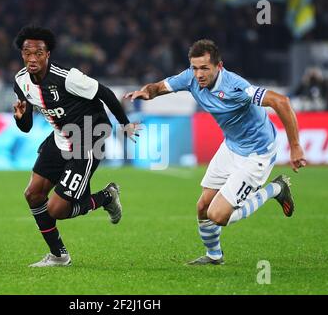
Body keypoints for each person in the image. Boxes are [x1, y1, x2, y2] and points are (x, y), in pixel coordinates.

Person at [125, 39, 307, 265]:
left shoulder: (235, 86)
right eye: (195, 68)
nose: (198, 74)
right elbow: (159, 87)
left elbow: (281, 101)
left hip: (256, 152)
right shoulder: (190, 78)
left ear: (218, 66)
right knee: (203, 206)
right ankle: (214, 256)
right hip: (231, 146)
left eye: (204, 68)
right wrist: (146, 92)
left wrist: (296, 146)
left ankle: (276, 188)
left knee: (218, 216)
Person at [12, 25, 139, 267]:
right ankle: (59, 256)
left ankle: (106, 197)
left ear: (47, 54)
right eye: (27, 52)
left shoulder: (67, 77)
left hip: (89, 137)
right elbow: (27, 127)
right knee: (33, 194)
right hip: (61, 137)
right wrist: (20, 118)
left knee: (57, 209)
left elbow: (106, 93)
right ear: (22, 54)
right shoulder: (20, 81)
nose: (32, 58)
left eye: (38, 52)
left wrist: (125, 124)